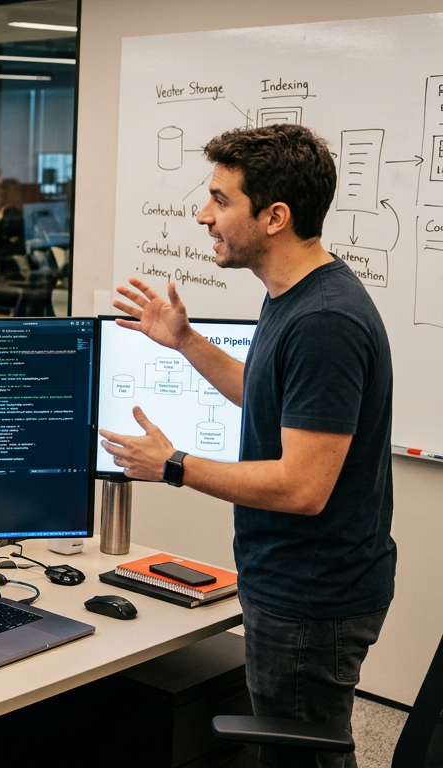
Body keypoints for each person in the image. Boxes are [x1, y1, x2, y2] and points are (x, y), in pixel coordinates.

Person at [99, 124, 394, 768]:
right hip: (293, 580)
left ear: (275, 216)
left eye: (220, 200)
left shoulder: (323, 322)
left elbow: (302, 487)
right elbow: (264, 396)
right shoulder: (292, 297)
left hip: (312, 595)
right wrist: (185, 341)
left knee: (302, 757)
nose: (203, 215)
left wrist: (173, 466)